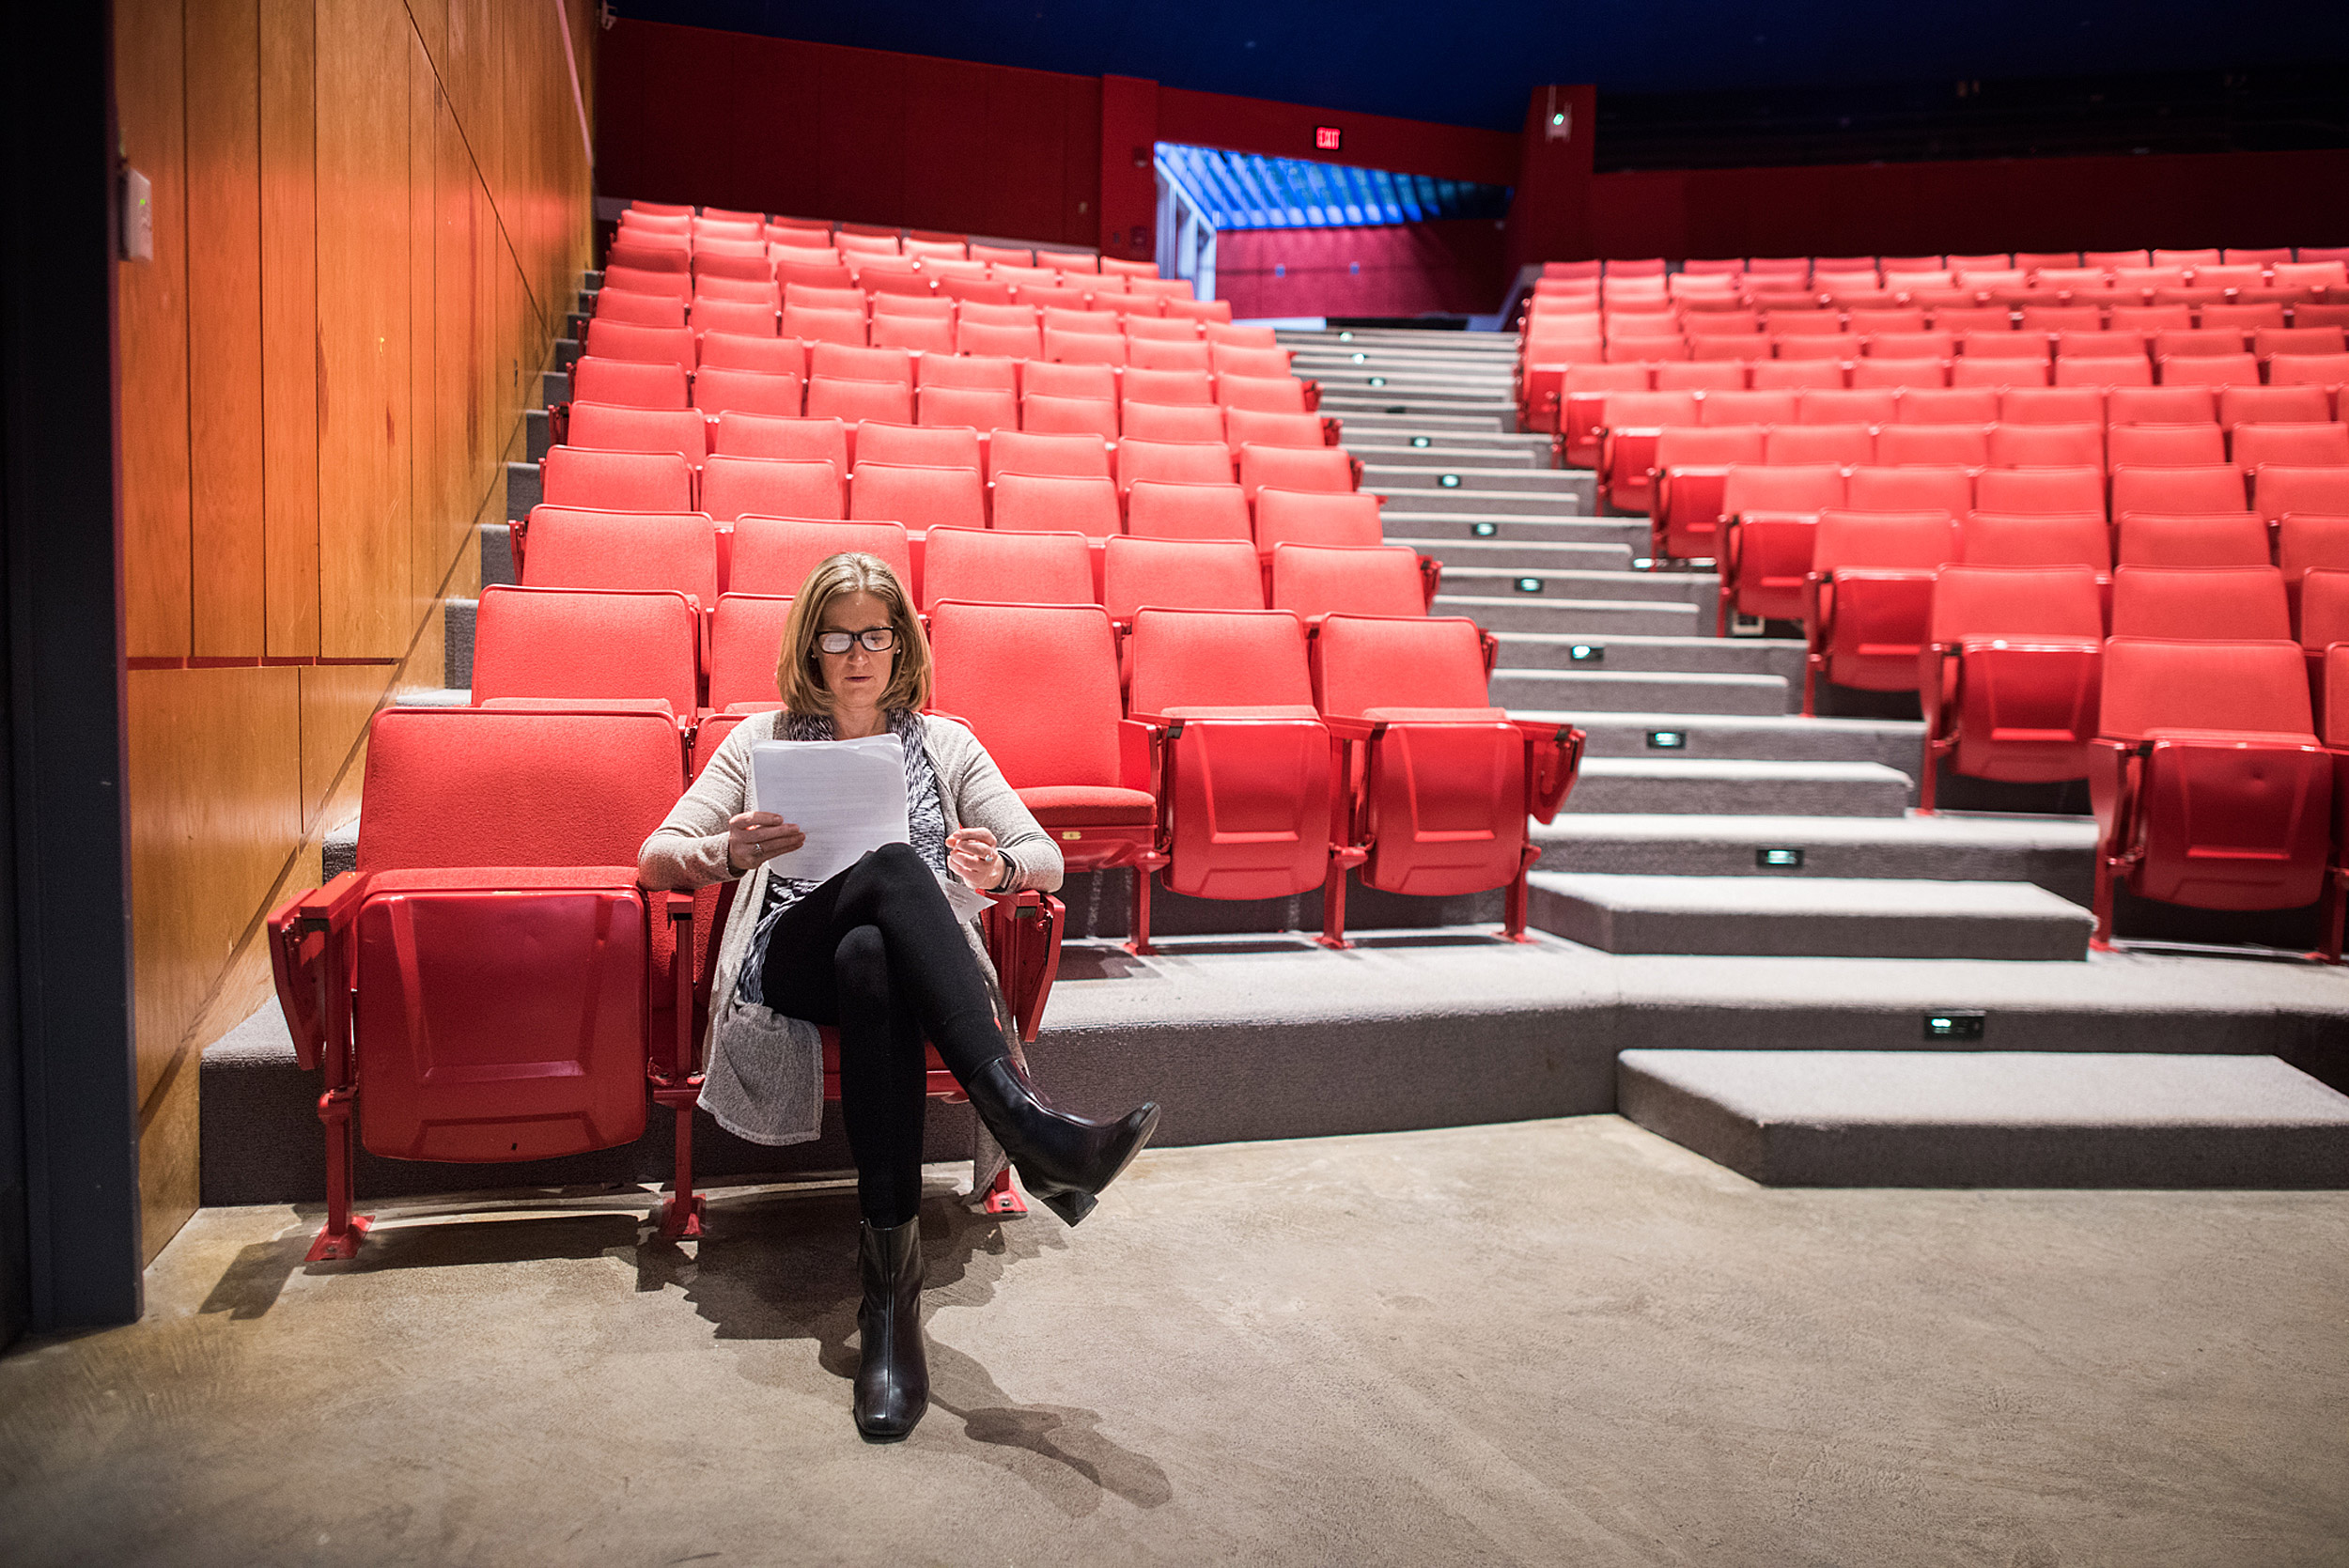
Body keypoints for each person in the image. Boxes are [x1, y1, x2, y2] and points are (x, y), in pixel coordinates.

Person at [638, 552, 1159, 1442]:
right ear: (810, 644)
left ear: (900, 641)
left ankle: (889, 1309)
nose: (857, 652)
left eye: (875, 633)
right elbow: (655, 854)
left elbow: (1047, 855)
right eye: (837, 635)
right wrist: (725, 851)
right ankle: (1029, 1126)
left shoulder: (947, 742)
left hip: (895, 975)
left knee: (877, 952)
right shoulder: (759, 741)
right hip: (789, 964)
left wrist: (999, 865)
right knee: (889, 865)